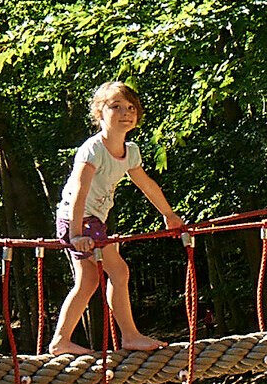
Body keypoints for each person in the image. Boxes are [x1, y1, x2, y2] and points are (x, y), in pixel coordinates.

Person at [49, 82, 183, 355]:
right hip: (78, 219)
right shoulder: (93, 149)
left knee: (100, 277)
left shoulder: (130, 151)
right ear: (99, 113)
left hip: (93, 221)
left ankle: (70, 340)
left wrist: (169, 214)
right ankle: (121, 336)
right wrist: (75, 234)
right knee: (105, 275)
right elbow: (79, 191)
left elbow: (147, 185)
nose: (125, 113)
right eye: (116, 107)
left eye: (131, 107)